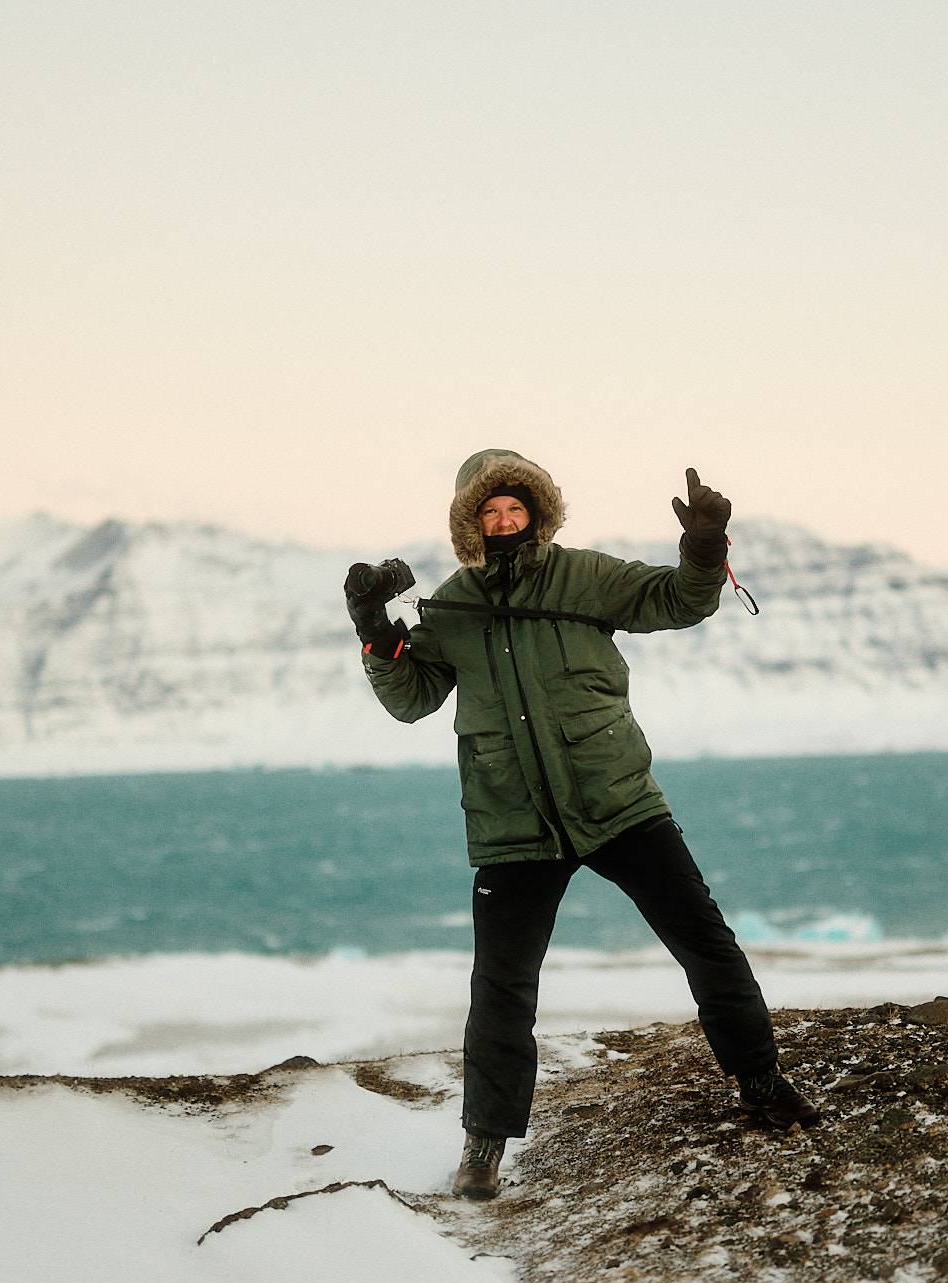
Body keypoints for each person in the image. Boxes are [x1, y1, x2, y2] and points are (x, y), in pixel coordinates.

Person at [345, 448, 819, 1200]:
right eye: (489, 511)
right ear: (471, 523)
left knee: (703, 940)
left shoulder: (584, 577)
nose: (503, 520)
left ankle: (761, 1086)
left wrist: (703, 548)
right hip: (514, 821)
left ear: (536, 512)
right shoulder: (453, 601)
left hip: (616, 801)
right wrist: (374, 630)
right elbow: (411, 698)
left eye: (514, 508)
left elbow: (678, 601)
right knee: (500, 987)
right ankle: (483, 1147)